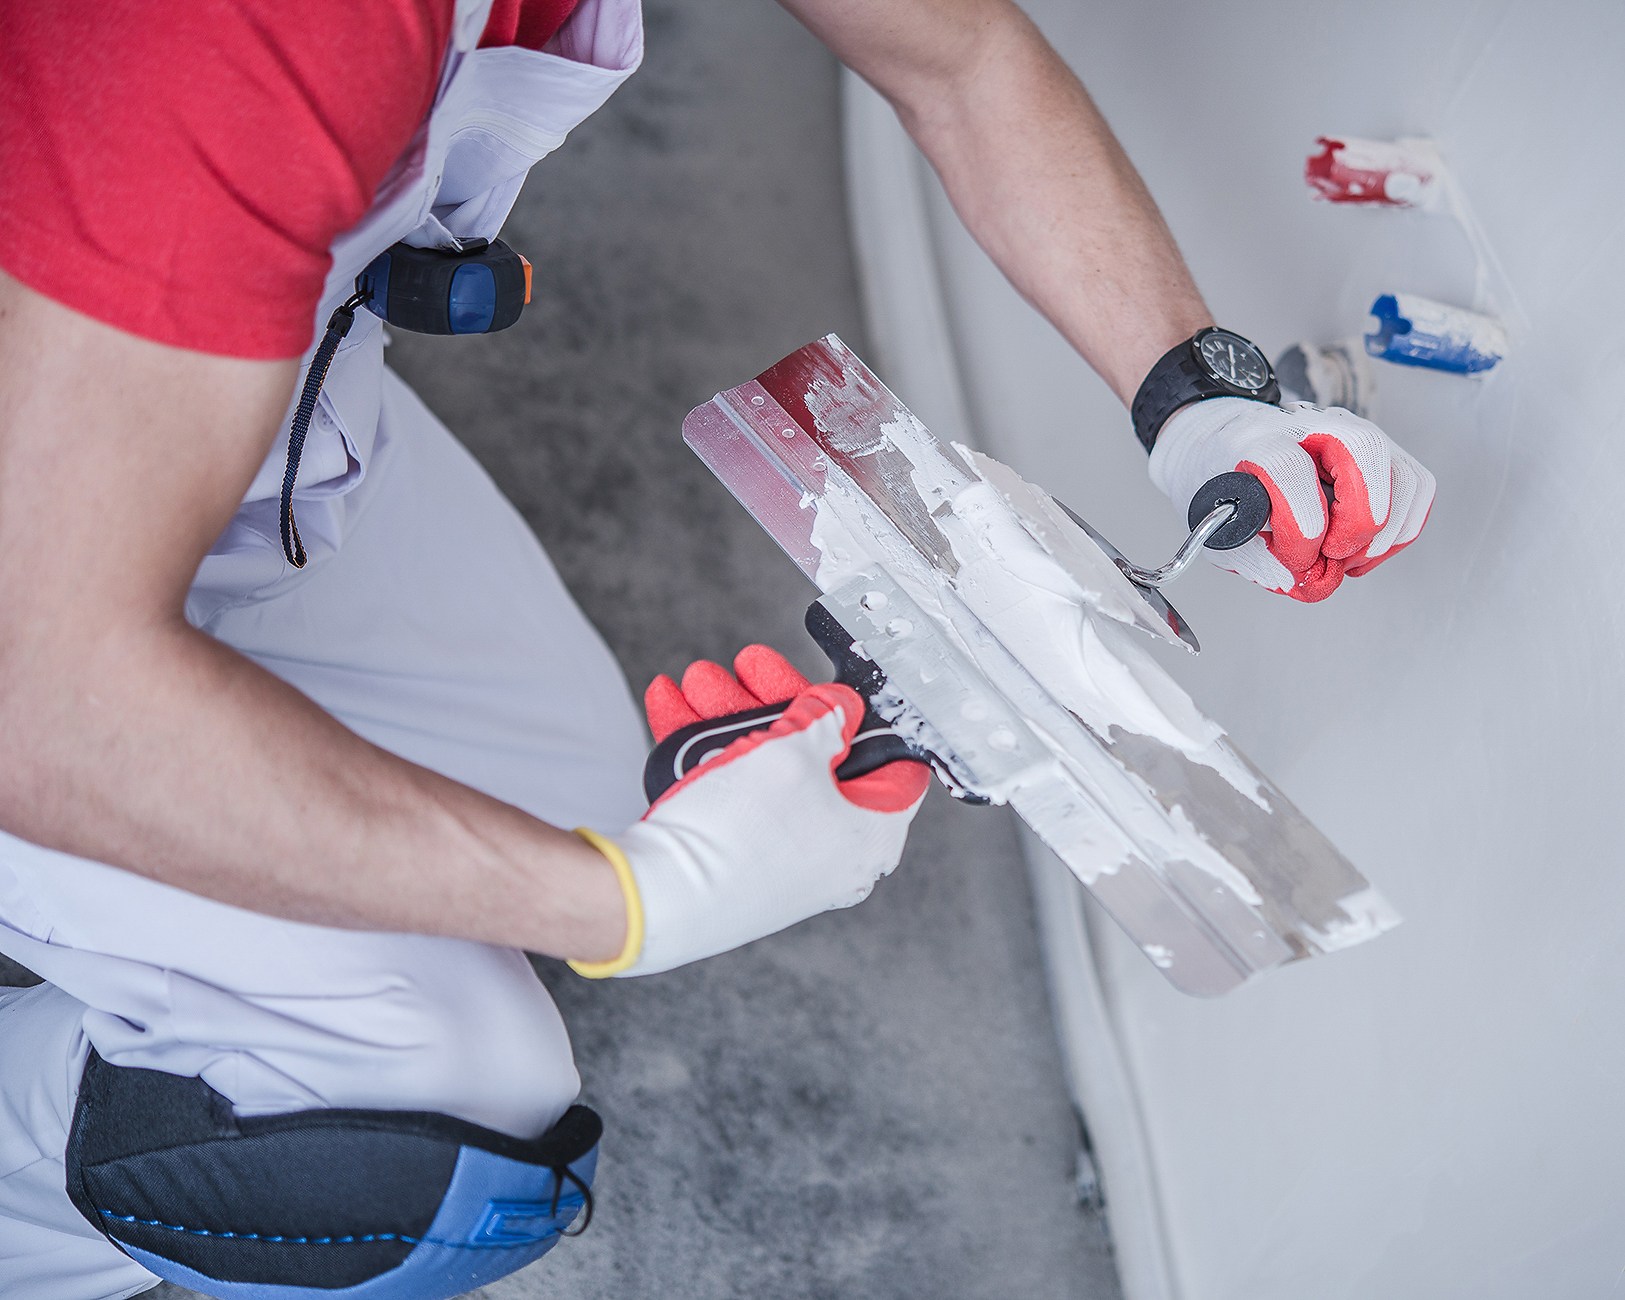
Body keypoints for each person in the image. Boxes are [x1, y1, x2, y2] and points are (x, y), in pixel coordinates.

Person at [0, 1, 1436, 1296]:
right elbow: (48, 700)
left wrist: (1197, 398)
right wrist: (631, 901)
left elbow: (963, 59)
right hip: (36, 586)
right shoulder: (258, 30)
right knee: (425, 1111)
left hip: (207, 421)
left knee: (556, 810)